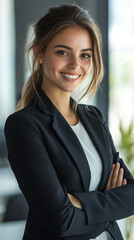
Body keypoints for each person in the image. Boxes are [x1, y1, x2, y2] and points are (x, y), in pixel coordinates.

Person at [4, 3, 134, 240]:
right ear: (39, 53)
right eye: (63, 52)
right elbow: (61, 221)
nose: (76, 65)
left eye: (85, 55)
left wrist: (79, 203)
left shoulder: (93, 117)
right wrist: (110, 203)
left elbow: (132, 194)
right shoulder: (23, 125)